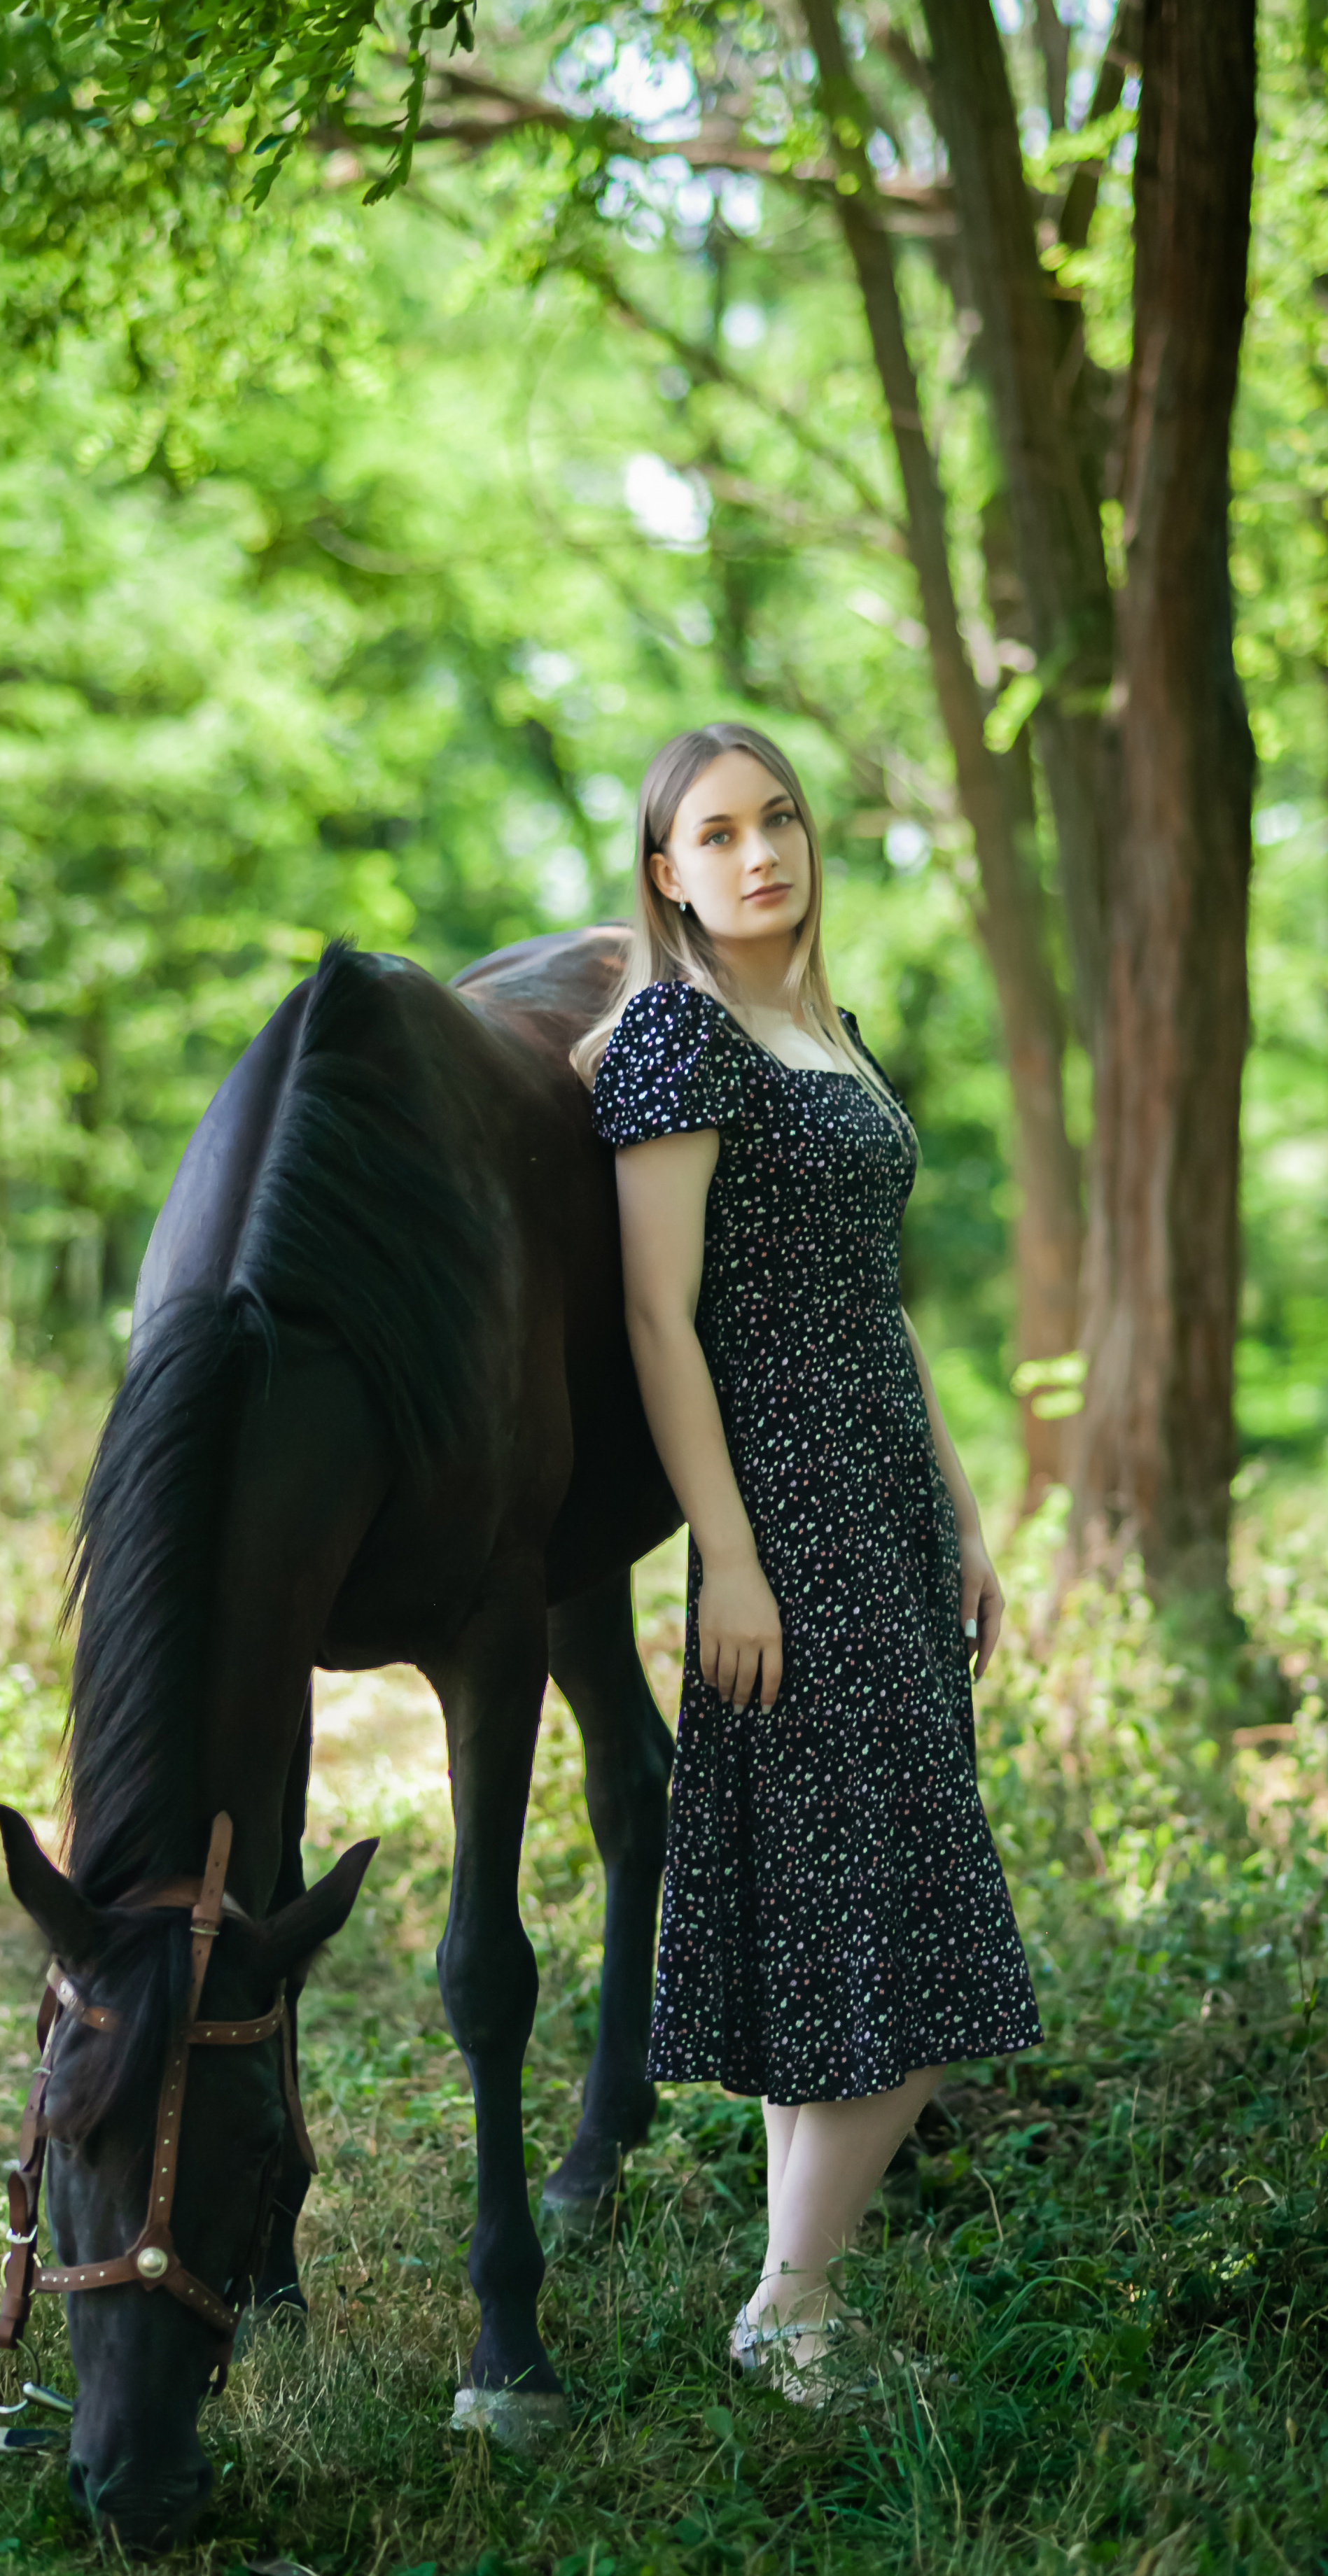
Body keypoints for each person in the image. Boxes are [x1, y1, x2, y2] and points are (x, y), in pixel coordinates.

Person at [573, 722, 1042, 2400]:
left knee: (845, 1916)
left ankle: (798, 2320)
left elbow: (876, 1303)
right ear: (664, 874)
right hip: (782, 1517)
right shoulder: (677, 1041)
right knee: (908, 1926)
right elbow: (653, 1314)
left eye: (776, 819)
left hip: (887, 1509)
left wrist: (968, 1513)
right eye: (715, 832)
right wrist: (730, 1558)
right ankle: (786, 2308)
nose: (758, 851)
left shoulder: (821, 1031)